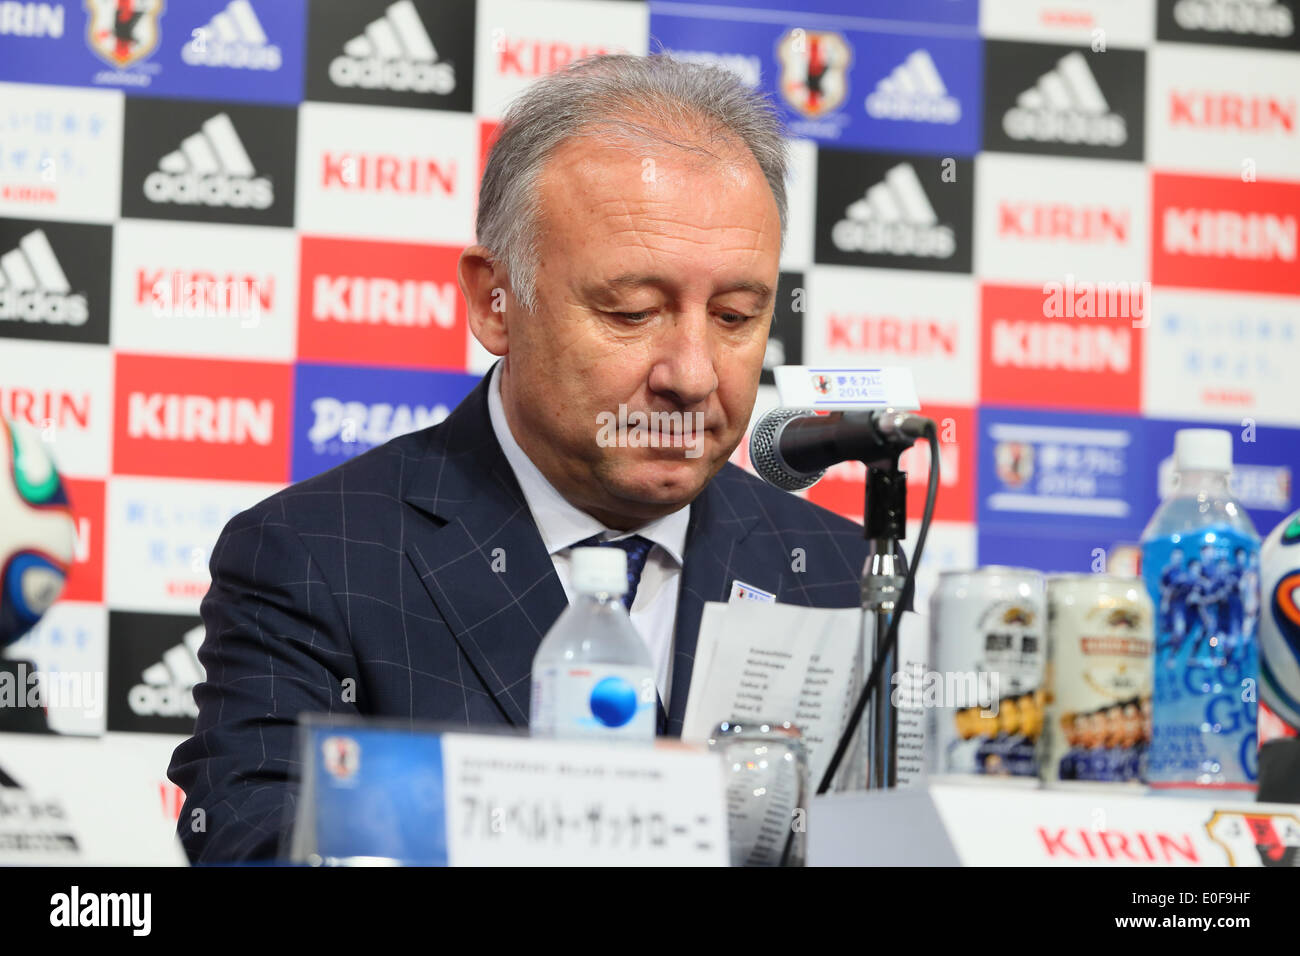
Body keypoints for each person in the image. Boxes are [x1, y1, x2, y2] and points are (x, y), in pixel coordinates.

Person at [167, 54, 873, 863]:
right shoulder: (314, 555)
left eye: (736, 315)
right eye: (632, 311)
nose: (694, 373)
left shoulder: (844, 577)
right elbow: (255, 846)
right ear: (493, 302)